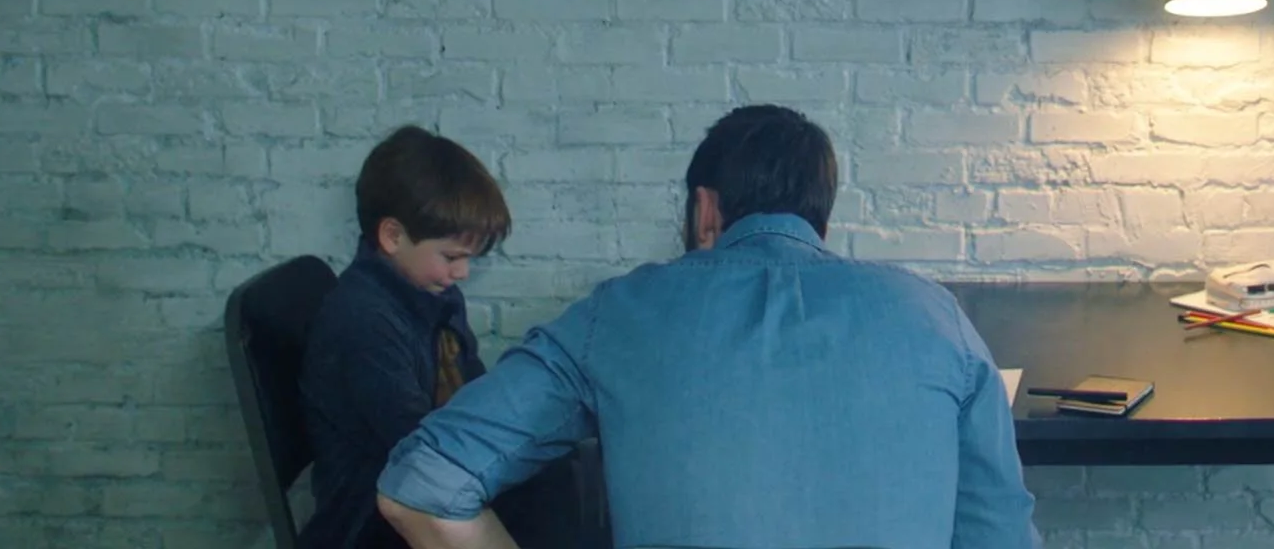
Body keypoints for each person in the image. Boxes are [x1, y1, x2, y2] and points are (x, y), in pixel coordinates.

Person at [376, 104, 1040, 549]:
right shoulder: (936, 318)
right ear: (823, 225)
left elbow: (422, 486)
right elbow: (999, 536)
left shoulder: (617, 315)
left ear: (705, 212)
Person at [300, 126, 572, 549]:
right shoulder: (361, 323)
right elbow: (417, 447)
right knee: (560, 497)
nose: (461, 273)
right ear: (392, 236)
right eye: (451, 257)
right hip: (371, 521)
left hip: (421, 482)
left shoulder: (435, 294)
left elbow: (474, 393)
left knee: (567, 472)